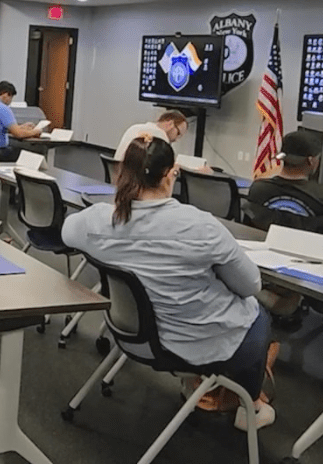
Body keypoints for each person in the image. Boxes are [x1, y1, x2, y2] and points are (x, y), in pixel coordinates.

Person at [62, 134, 275, 430]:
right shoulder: (201, 225)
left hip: (129, 335)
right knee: (257, 313)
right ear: (169, 174)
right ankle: (250, 405)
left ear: (123, 172)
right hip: (189, 346)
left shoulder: (99, 220)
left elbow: (66, 232)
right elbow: (251, 285)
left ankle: (206, 388)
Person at [112, 111, 188, 161]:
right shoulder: (161, 138)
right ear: (170, 124)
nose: (177, 139)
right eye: (178, 133)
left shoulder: (134, 127)